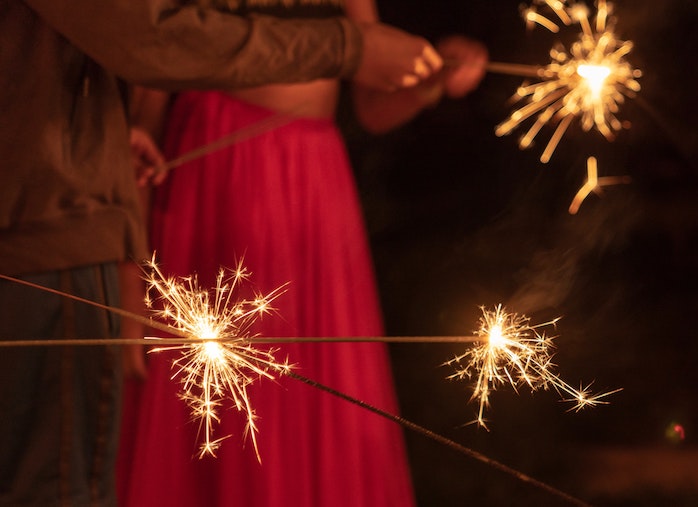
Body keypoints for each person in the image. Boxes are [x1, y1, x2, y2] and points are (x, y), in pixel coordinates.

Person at [0, 1, 446, 505]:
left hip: (311, 184)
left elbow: (374, 85)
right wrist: (131, 257)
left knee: (299, 399)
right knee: (207, 405)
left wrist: (429, 74)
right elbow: (148, 46)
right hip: (204, 176)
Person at [116, 2, 488, 506]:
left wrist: (431, 79)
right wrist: (130, 269)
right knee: (226, 394)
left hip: (313, 181)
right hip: (215, 170)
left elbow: (373, 104)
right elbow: (149, 87)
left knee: (311, 391)